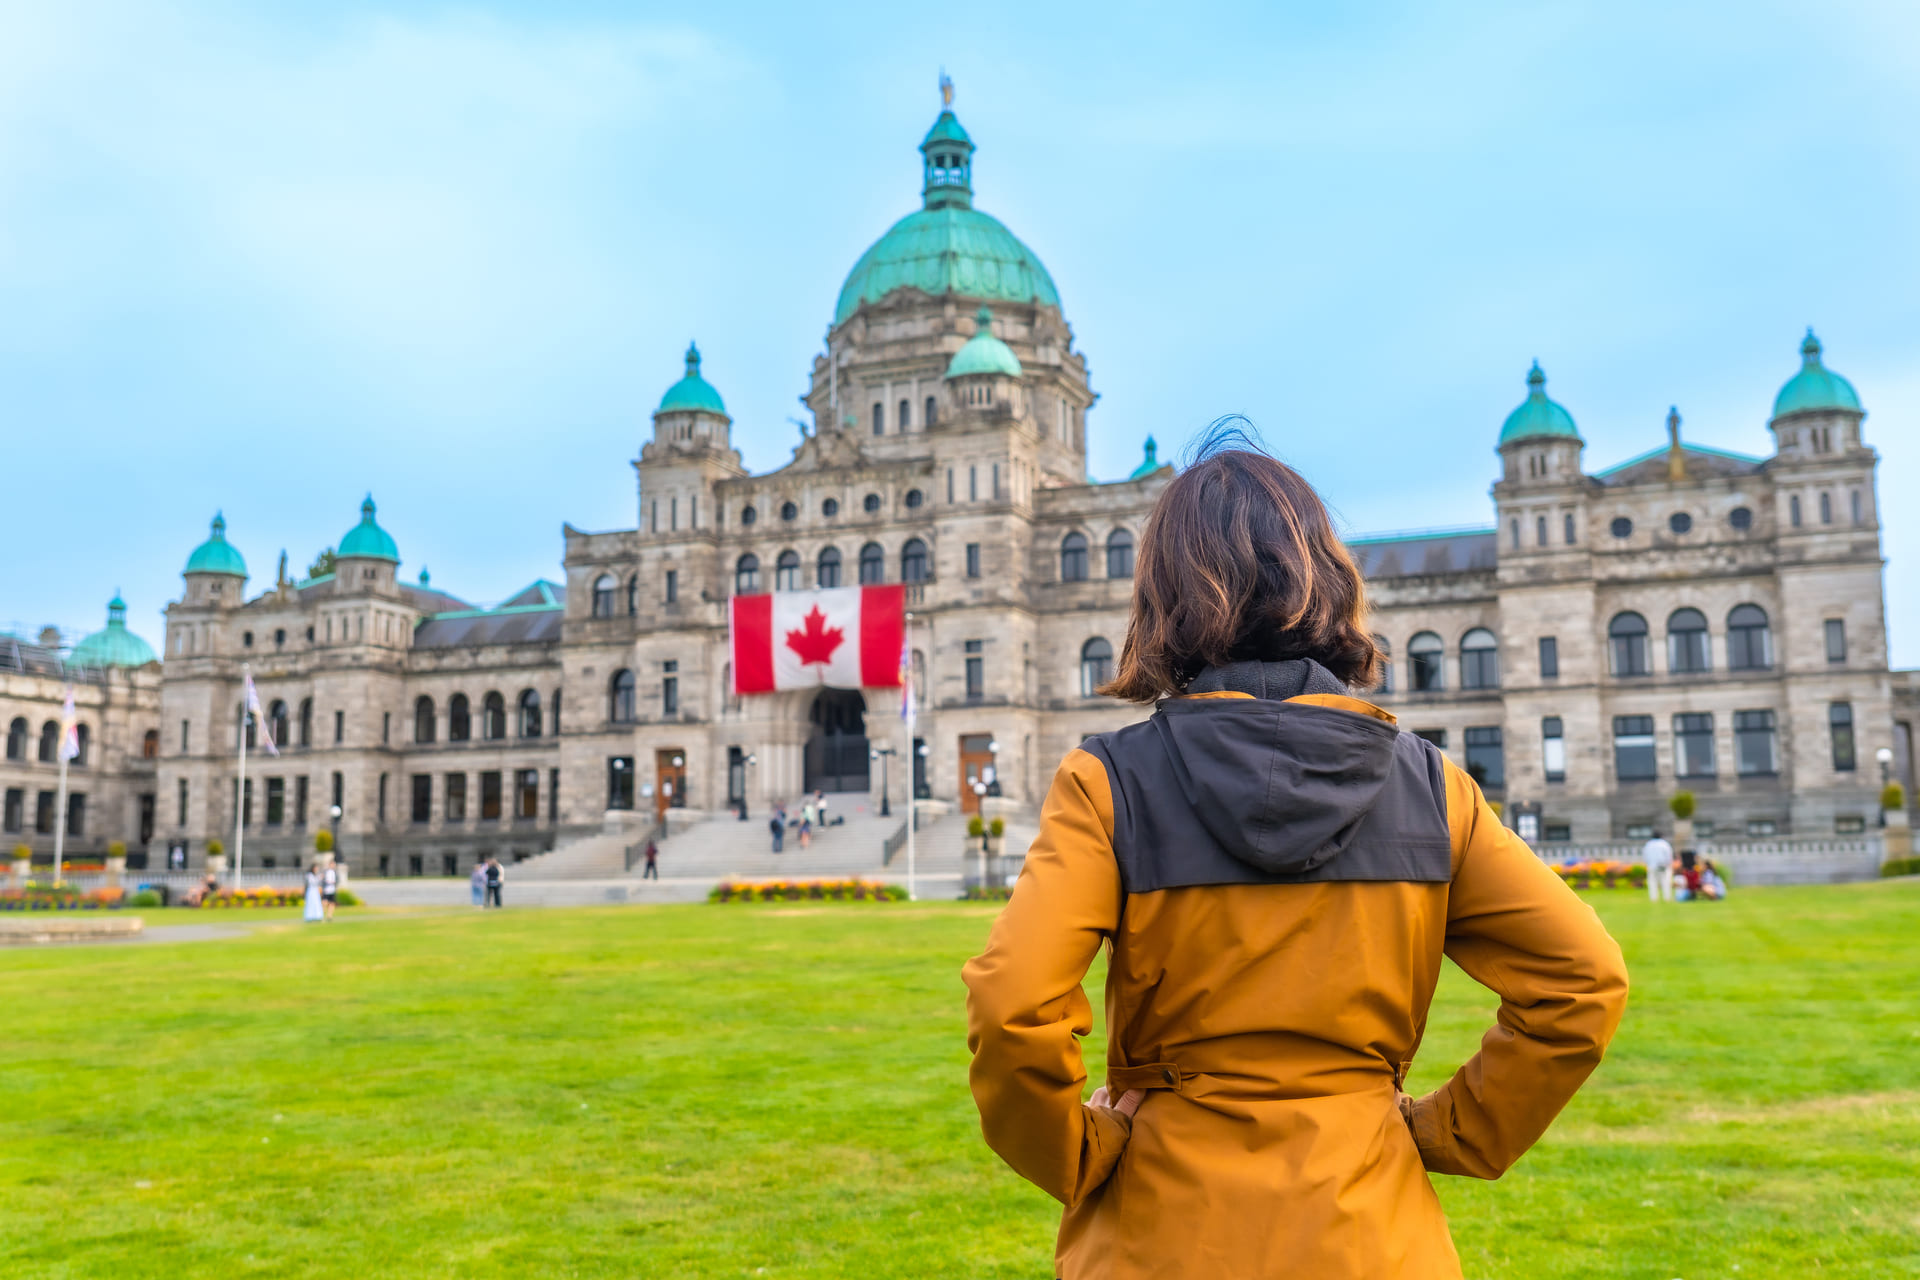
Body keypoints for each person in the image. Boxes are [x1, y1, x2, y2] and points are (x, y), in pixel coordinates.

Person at [962, 440, 1628, 1280]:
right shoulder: (1430, 783)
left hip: (1161, 1232)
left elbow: (1013, 1002)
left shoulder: (1109, 781)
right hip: (1376, 1236)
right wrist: (1445, 1132)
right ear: (1325, 579)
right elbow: (1582, 979)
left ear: (1160, 596)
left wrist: (1082, 1152)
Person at [1642, 829, 1675, 903]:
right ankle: (1667, 898)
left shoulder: (1648, 844)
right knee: (1665, 882)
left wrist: (1648, 863)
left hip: (1652, 866)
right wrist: (1668, 864)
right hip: (1663, 866)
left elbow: (1645, 856)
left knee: (1652, 883)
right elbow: (1669, 856)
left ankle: (1654, 898)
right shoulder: (1664, 844)